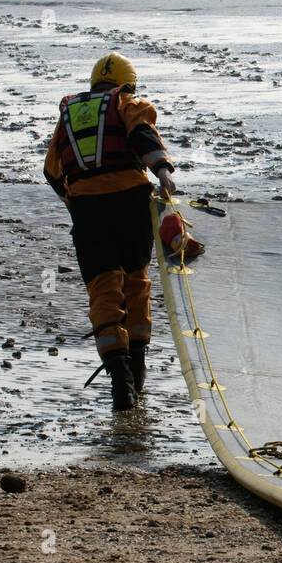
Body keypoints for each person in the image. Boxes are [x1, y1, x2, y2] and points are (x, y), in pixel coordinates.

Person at [43, 52, 178, 411]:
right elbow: (143, 135)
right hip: (131, 204)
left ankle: (120, 382)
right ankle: (138, 368)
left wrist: (75, 203)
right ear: (127, 83)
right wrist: (163, 171)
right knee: (136, 281)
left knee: (103, 290)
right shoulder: (126, 101)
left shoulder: (68, 113)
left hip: (88, 212)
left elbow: (52, 171)